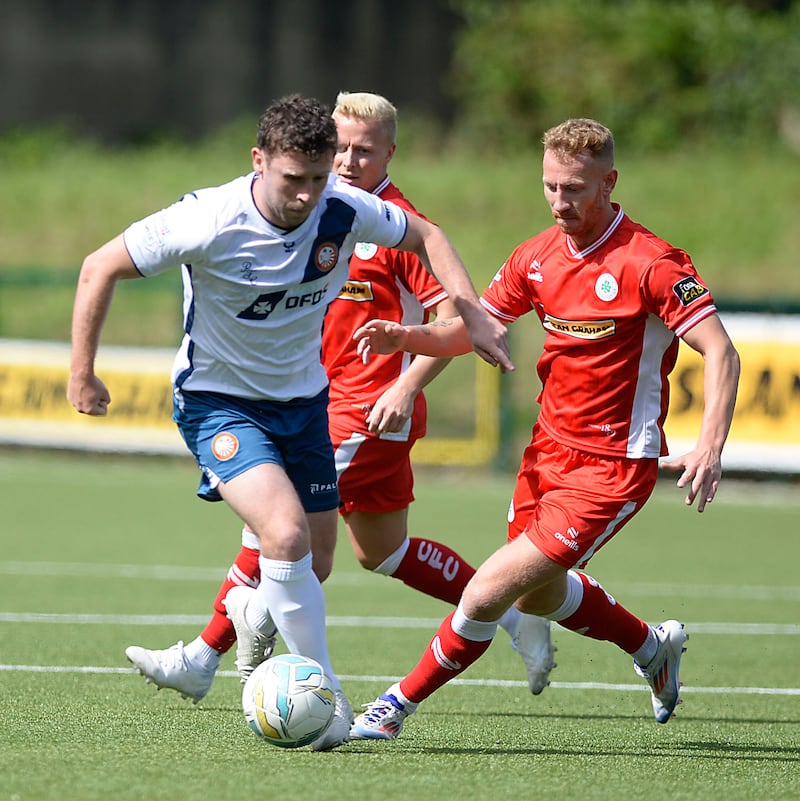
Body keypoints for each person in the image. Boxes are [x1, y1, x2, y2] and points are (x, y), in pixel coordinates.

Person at [67, 93, 512, 752]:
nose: (305, 196)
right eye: (291, 180)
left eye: (317, 177)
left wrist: (469, 310)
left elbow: (426, 234)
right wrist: (83, 371)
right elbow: (98, 265)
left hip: (305, 404)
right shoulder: (209, 218)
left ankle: (240, 618)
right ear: (259, 161)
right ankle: (328, 699)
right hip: (219, 401)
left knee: (320, 559)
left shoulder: (341, 206)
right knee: (282, 534)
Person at [348, 117, 740, 740]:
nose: (561, 202)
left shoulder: (652, 263)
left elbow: (720, 350)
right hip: (545, 453)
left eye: (576, 190)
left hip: (612, 467)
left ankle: (390, 710)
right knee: (535, 597)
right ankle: (650, 648)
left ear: (609, 182)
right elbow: (474, 325)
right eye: (551, 187)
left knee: (486, 592)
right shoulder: (536, 256)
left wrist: (710, 445)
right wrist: (408, 336)